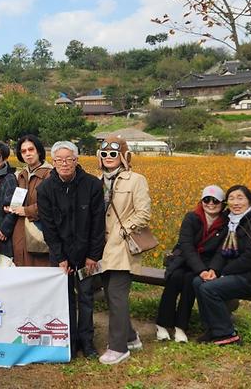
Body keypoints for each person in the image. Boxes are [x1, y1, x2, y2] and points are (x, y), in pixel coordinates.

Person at [38, 140, 104, 360]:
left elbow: (98, 224)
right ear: (53, 162)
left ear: (76, 161)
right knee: (64, 298)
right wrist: (60, 257)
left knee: (86, 296)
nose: (64, 164)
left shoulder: (93, 185)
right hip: (61, 254)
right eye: (59, 160)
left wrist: (93, 255)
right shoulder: (45, 188)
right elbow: (48, 227)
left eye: (69, 159)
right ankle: (69, 340)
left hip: (87, 254)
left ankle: (87, 341)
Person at [193, 185, 251, 346]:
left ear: (249, 200)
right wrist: (214, 271)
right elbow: (221, 252)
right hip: (235, 273)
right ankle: (212, 328)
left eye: (240, 198)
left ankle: (227, 334)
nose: (235, 202)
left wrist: (224, 273)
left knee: (208, 288)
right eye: (231, 198)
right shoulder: (231, 222)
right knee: (199, 282)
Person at [97, 136, 152, 365]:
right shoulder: (97, 181)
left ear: (123, 156)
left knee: (117, 295)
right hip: (102, 246)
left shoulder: (136, 180)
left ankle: (118, 348)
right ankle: (130, 337)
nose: (108, 158)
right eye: (104, 154)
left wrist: (123, 230)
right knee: (111, 294)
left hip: (121, 246)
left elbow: (144, 213)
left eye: (113, 154)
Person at [156, 185, 228, 343]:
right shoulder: (192, 217)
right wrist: (201, 270)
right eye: (206, 199)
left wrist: (212, 270)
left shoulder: (226, 224)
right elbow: (186, 246)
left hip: (205, 264)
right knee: (175, 278)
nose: (210, 203)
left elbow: (221, 250)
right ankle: (162, 324)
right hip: (184, 260)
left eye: (215, 200)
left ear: (223, 203)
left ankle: (181, 327)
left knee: (190, 282)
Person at [7, 134, 53, 267]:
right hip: (20, 232)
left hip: (39, 232)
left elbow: (53, 204)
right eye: (23, 151)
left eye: (31, 149)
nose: (27, 154)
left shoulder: (49, 174)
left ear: (38, 150)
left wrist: (27, 211)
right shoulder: (21, 175)